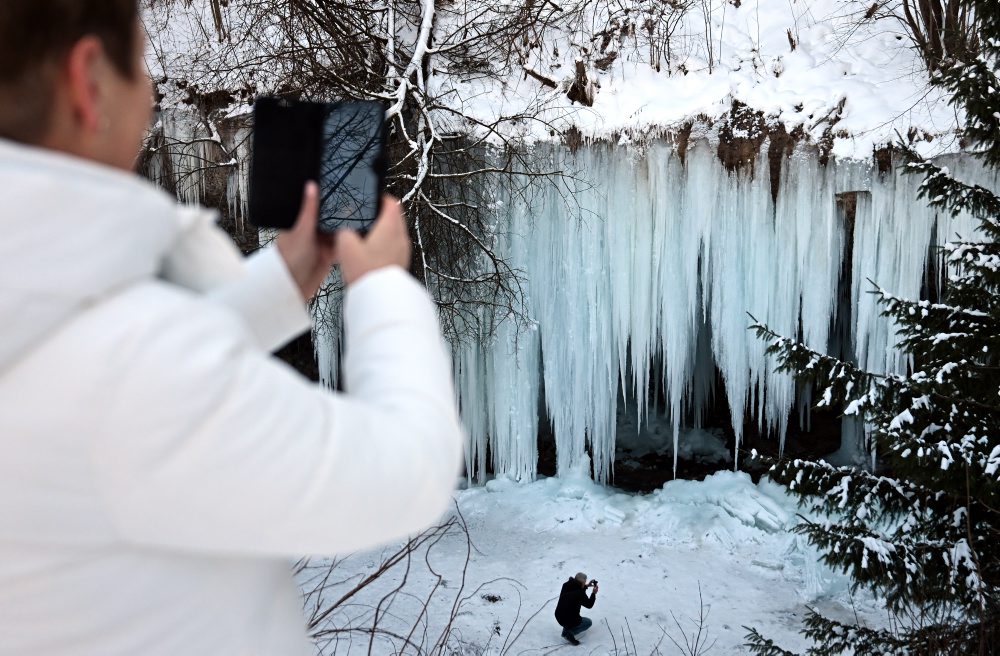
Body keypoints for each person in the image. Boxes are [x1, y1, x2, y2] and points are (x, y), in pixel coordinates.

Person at [0, 2, 464, 655]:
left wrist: (281, 281)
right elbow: (410, 472)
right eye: (139, 63)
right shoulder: (127, 368)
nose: (154, 89)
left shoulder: (41, 314)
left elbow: (117, 382)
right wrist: (382, 283)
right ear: (89, 81)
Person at [554, 572, 599, 645]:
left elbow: (576, 590)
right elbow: (589, 604)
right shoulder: (580, 593)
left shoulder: (565, 585)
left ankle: (567, 628)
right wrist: (593, 593)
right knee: (588, 622)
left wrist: (586, 586)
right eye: (584, 582)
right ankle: (569, 634)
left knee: (568, 617)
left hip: (559, 615)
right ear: (582, 582)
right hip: (570, 619)